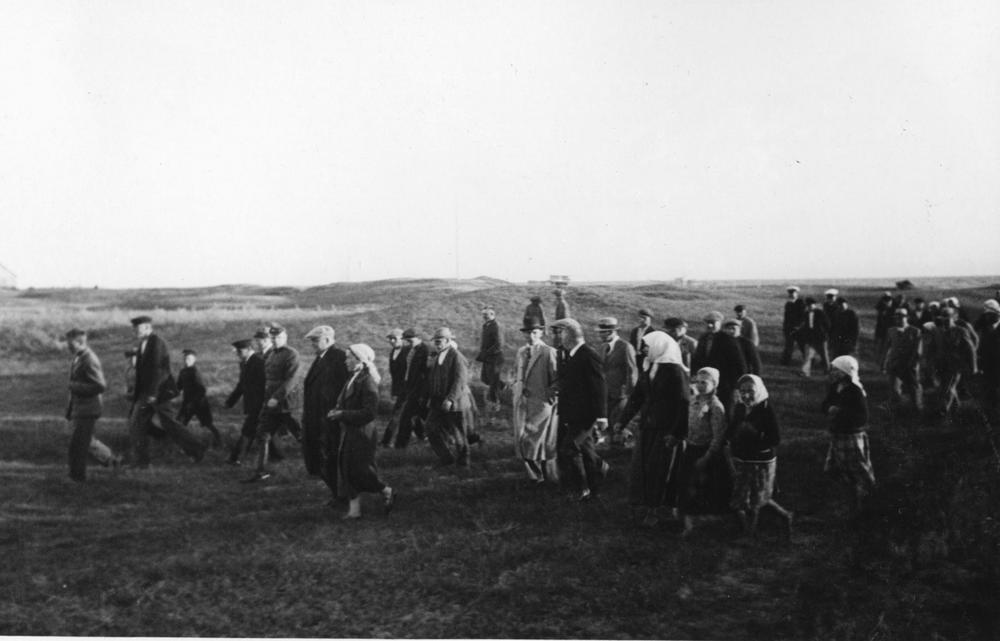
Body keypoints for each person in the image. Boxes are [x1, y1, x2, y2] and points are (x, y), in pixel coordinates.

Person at [614, 331, 689, 525]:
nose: (643, 350)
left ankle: (655, 510)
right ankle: (642, 504)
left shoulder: (674, 371)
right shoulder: (649, 367)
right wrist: (622, 421)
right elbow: (637, 397)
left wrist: (676, 434)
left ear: (659, 346)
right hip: (648, 427)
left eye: (646, 346)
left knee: (659, 470)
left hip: (665, 430)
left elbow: (683, 404)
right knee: (642, 468)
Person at [128, 316, 206, 467]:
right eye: (134, 328)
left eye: (137, 328)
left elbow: (158, 370)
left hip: (157, 393)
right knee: (137, 424)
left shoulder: (157, 342)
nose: (134, 331)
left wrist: (152, 394)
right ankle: (141, 461)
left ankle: (197, 449)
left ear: (147, 327)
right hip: (147, 393)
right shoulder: (143, 344)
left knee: (169, 424)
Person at [327, 344, 395, 519]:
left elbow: (370, 413)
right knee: (347, 469)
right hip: (350, 431)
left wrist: (342, 414)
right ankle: (354, 511)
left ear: (361, 361)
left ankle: (386, 490)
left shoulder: (367, 381)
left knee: (362, 471)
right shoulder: (354, 378)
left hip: (362, 433)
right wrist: (338, 410)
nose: (346, 361)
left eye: (349, 357)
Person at [726, 374, 793, 537]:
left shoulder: (766, 408)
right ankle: (785, 516)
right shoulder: (741, 407)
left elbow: (775, 439)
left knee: (757, 498)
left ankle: (750, 533)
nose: (746, 395)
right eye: (742, 391)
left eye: (750, 391)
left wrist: (755, 436)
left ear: (759, 390)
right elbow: (733, 428)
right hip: (743, 458)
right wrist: (729, 440)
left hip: (761, 460)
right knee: (745, 496)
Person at [551, 318, 609, 502]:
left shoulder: (588, 355)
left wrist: (601, 416)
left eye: (560, 333)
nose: (558, 337)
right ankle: (595, 483)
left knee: (570, 448)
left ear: (569, 335)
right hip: (573, 413)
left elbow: (599, 387)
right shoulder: (572, 355)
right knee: (586, 449)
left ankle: (582, 488)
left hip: (584, 415)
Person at [244, 323, 300, 482]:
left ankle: (320, 467)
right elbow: (268, 380)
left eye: (279, 337)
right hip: (270, 403)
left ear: (285, 338)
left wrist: (277, 397)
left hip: (287, 404)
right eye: (273, 338)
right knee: (262, 434)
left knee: (301, 435)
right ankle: (260, 472)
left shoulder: (291, 354)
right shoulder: (270, 355)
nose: (275, 340)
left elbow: (291, 379)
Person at [679, 367, 732, 536]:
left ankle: (700, 523)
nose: (700, 385)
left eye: (705, 382)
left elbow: (718, 436)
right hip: (691, 448)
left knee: (703, 487)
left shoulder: (715, 406)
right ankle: (687, 521)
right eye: (698, 382)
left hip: (706, 452)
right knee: (686, 485)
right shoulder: (693, 400)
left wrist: (706, 457)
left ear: (714, 384)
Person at [822, 356, 876, 516]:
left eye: (836, 370)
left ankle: (866, 503)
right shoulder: (835, 387)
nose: (832, 372)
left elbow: (862, 417)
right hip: (839, 435)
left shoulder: (855, 391)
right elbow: (825, 404)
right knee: (839, 469)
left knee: (858, 470)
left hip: (851, 437)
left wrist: (840, 413)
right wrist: (829, 408)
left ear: (845, 372)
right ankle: (850, 501)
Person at [64, 329, 120, 481]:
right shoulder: (79, 357)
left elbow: (100, 385)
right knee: (84, 441)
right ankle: (112, 461)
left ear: (80, 342)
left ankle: (77, 477)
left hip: (88, 409)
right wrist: (70, 410)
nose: (67, 347)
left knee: (78, 444)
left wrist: (75, 387)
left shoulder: (89, 359)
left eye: (70, 344)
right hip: (80, 409)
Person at [301, 325, 349, 499]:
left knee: (331, 457)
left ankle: (341, 496)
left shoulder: (339, 357)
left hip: (330, 418)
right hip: (317, 417)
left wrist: (338, 412)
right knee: (321, 457)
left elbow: (345, 389)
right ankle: (337, 494)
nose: (312, 344)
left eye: (315, 340)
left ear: (328, 339)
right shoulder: (321, 358)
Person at [511, 320, 559, 483]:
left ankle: (547, 476)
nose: (530, 336)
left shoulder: (548, 352)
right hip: (522, 402)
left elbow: (558, 378)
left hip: (541, 403)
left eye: (534, 332)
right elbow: (516, 373)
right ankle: (535, 475)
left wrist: (550, 395)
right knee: (522, 439)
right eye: (527, 332)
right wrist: (516, 388)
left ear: (541, 333)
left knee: (537, 440)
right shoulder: (521, 352)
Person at [424, 327, 473, 469]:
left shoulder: (456, 356)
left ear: (448, 340)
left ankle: (463, 464)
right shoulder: (439, 355)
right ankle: (446, 459)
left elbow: (460, 381)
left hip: (456, 402)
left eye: (439, 341)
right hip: (438, 401)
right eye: (435, 341)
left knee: (458, 433)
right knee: (430, 428)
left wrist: (450, 399)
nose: (436, 344)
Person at [224, 338, 266, 465]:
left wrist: (263, 403)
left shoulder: (259, 362)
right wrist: (230, 402)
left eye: (240, 351)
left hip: (260, 403)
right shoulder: (244, 363)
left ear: (249, 349)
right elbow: (242, 385)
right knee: (264, 431)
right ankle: (278, 456)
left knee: (248, 430)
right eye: (237, 351)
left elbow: (265, 385)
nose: (237, 354)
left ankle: (237, 458)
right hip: (252, 403)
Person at [929, 307, 978, 416]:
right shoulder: (938, 330)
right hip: (941, 364)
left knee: (948, 387)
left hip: (955, 365)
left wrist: (974, 366)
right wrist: (931, 362)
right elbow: (932, 347)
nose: (945, 319)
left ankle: (943, 410)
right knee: (946, 386)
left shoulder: (961, 331)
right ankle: (956, 408)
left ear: (954, 318)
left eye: (948, 316)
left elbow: (971, 349)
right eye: (943, 316)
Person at [597, 317, 638, 444]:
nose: (600, 335)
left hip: (621, 394)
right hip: (606, 393)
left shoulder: (625, 347)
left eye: (602, 332)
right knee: (609, 423)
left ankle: (622, 445)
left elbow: (632, 371)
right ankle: (613, 447)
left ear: (611, 332)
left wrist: (629, 393)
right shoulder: (603, 347)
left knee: (619, 424)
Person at [176, 349, 222, 448]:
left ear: (194, 360)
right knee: (179, 423)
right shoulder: (183, 372)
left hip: (200, 403)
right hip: (187, 403)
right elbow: (178, 387)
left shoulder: (195, 372)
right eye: (185, 359)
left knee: (208, 424)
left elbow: (202, 390)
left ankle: (219, 442)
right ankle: (181, 445)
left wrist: (194, 402)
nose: (186, 361)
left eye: (189, 359)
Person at [711, 319, 756, 419]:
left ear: (740, 329)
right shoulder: (720, 342)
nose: (731, 331)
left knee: (739, 404)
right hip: (723, 378)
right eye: (728, 329)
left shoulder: (747, 343)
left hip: (739, 378)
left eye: (734, 328)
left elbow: (754, 364)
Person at [881, 308, 923, 412]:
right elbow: (886, 348)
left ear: (907, 317)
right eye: (897, 317)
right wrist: (884, 363)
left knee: (914, 390)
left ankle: (917, 410)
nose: (899, 319)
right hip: (895, 364)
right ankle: (897, 411)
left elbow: (918, 351)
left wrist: (913, 364)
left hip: (910, 365)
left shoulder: (915, 331)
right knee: (894, 390)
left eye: (902, 317)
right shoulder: (891, 331)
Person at [394, 328, 429, 449]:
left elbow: (426, 374)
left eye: (410, 340)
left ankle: (400, 446)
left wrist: (422, 393)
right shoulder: (409, 349)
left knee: (407, 416)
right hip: (408, 387)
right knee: (417, 415)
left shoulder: (424, 350)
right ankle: (422, 436)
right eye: (406, 340)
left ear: (419, 338)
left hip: (418, 389)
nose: (408, 342)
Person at [379, 329, 409, 447]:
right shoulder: (392, 352)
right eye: (390, 338)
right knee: (411, 414)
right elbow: (394, 374)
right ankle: (422, 435)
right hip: (400, 389)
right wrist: (394, 390)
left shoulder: (408, 351)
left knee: (397, 414)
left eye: (394, 338)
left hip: (408, 388)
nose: (392, 341)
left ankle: (387, 440)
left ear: (402, 339)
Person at [476, 307, 505, 414]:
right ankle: (504, 387)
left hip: (495, 357)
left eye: (486, 315)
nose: (484, 317)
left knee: (493, 382)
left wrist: (487, 353)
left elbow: (499, 344)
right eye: (483, 315)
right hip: (487, 357)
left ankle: (495, 403)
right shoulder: (486, 325)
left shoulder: (496, 326)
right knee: (485, 378)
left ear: (493, 315)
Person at [977, 300, 1000, 425]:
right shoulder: (985, 329)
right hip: (988, 367)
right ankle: (992, 418)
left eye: (990, 314)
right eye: (986, 315)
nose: (987, 317)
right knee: (990, 392)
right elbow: (982, 348)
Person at [798, 298, 831, 377]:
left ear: (814, 305)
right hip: (810, 338)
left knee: (824, 355)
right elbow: (805, 325)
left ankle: (828, 371)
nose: (809, 307)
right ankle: (805, 372)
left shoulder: (820, 313)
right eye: (808, 305)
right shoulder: (806, 314)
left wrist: (824, 333)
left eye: (811, 305)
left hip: (821, 338)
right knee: (808, 355)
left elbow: (827, 325)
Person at [782, 286, 807, 365]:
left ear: (797, 293)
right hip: (789, 329)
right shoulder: (788, 304)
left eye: (793, 293)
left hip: (799, 329)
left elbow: (803, 316)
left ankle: (809, 361)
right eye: (790, 293)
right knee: (789, 345)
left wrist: (798, 326)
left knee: (802, 346)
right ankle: (786, 362)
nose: (792, 294)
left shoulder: (801, 302)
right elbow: (786, 317)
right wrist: (785, 328)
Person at [874, 292, 894, 365]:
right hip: (881, 333)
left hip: (890, 333)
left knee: (888, 350)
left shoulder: (893, 311)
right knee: (881, 350)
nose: (887, 303)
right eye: (885, 301)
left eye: (889, 301)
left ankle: (885, 364)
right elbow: (879, 324)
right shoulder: (881, 310)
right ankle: (881, 364)